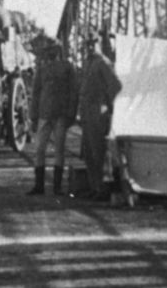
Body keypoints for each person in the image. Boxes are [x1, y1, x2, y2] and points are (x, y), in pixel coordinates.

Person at [27, 43, 78, 196]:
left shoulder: (65, 68)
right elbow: (35, 94)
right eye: (49, 51)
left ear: (58, 52)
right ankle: (45, 186)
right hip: (49, 114)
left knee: (52, 150)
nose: (51, 54)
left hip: (55, 114)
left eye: (53, 51)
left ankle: (50, 187)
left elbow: (73, 92)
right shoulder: (45, 70)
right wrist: (34, 116)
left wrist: (71, 114)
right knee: (43, 150)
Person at [77, 29, 122, 200]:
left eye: (91, 43)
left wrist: (109, 106)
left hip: (98, 111)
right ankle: (95, 187)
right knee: (89, 152)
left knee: (99, 152)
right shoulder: (88, 63)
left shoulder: (103, 63)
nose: (88, 47)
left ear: (98, 43)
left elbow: (116, 86)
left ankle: (103, 188)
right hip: (87, 112)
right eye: (86, 44)